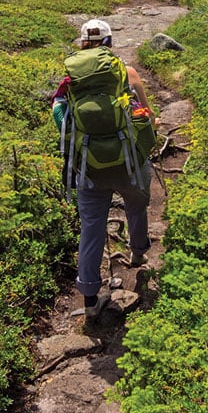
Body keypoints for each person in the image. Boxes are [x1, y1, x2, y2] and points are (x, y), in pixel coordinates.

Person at [52, 18, 154, 321]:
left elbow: (60, 119)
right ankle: (138, 252)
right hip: (128, 164)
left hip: (89, 169)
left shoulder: (70, 83)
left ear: (83, 45)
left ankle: (90, 296)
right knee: (137, 205)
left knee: (91, 227)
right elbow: (145, 114)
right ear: (109, 44)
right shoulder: (128, 74)